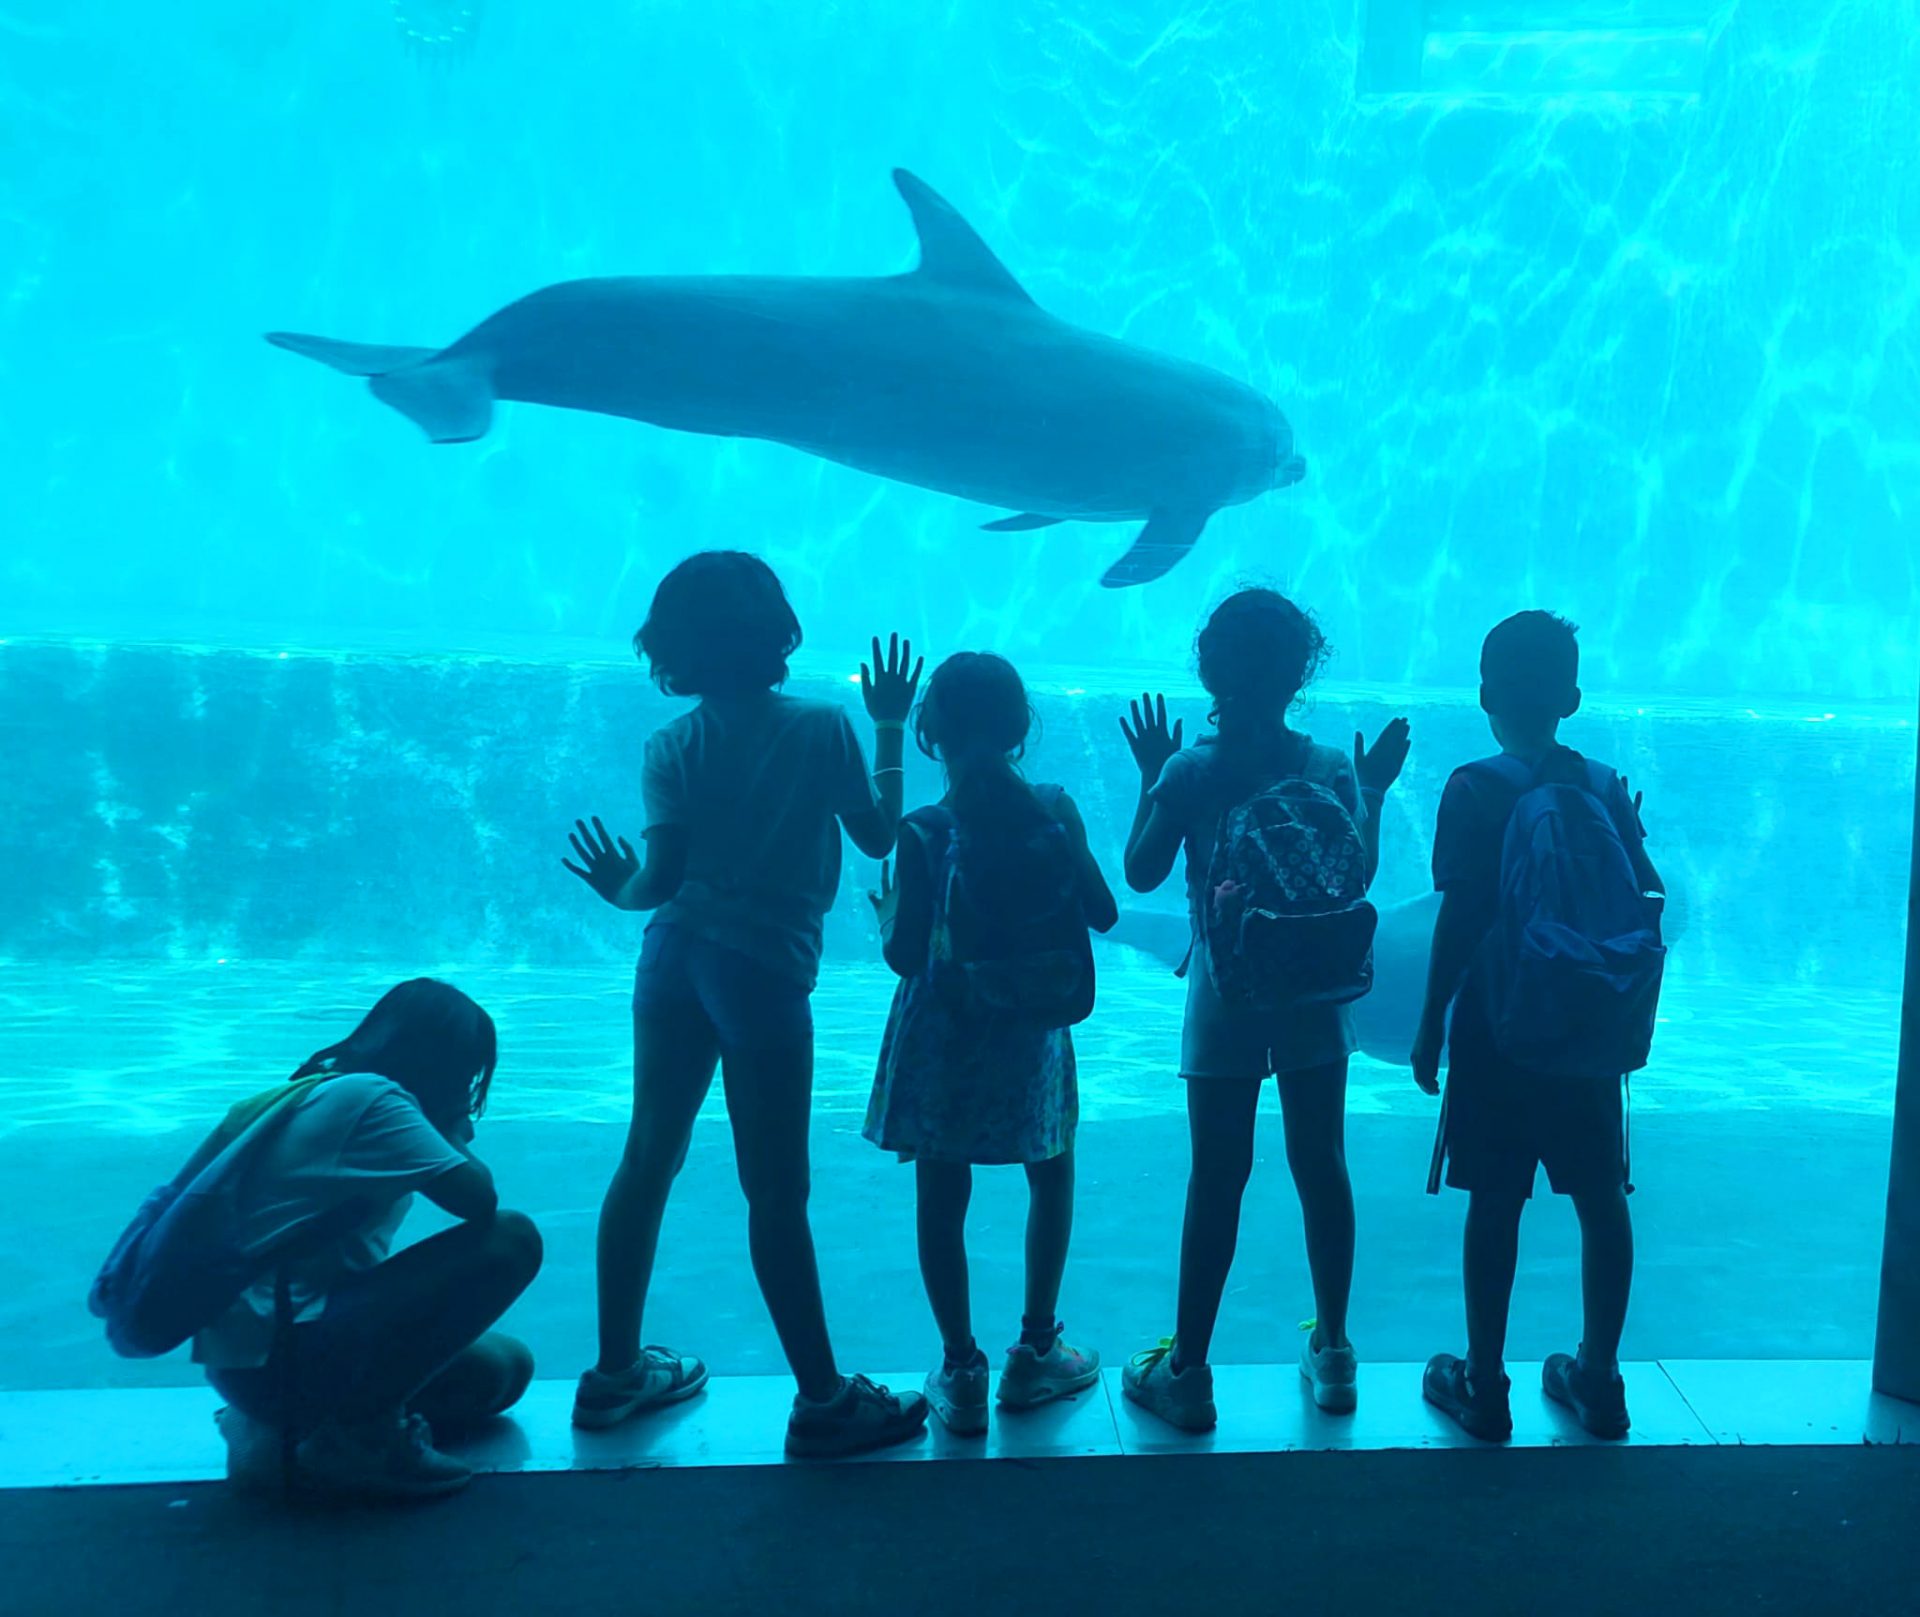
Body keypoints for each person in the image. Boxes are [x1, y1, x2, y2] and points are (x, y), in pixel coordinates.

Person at [563, 550, 930, 1459]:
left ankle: (615, 1373)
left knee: (646, 1157)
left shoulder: (669, 746)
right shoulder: (823, 729)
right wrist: (890, 728)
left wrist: (617, 890)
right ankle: (822, 1398)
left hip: (674, 958)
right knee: (775, 1190)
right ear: (776, 636)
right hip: (761, 972)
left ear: (673, 651)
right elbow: (881, 834)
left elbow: (661, 880)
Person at [1117, 588, 1410, 1430]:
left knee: (1218, 1174)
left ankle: (1190, 1367)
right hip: (1316, 993)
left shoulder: (1192, 770)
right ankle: (1336, 1352)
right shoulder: (1326, 767)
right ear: (1301, 673)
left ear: (1209, 670)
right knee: (1323, 1164)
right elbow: (1358, 873)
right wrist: (1379, 790)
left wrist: (1150, 774)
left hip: (1225, 998)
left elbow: (1140, 871)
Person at [1411, 611, 1664, 1443]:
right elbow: (1648, 901)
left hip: (1499, 1030)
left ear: (1485, 694)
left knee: (1495, 1200)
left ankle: (1484, 1383)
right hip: (1589, 1032)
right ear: (1574, 696)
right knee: (1600, 1199)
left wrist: (1430, 1024)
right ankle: (1600, 1375)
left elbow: (1460, 919)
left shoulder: (1474, 787)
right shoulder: (1600, 785)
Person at [863, 653, 1118, 1434]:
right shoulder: (1054, 807)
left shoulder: (926, 828)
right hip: (1030, 1034)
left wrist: (887, 916)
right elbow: (1103, 912)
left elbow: (906, 955)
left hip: (943, 1036)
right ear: (1019, 729)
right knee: (1051, 1173)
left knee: (943, 1197)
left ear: (932, 731)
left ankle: (962, 1366)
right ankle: (1037, 1349)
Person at [199, 979, 543, 1500]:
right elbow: (479, 1201)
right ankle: (358, 1441)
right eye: (468, 1075)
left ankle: (272, 1429)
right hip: (280, 1358)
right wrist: (450, 1128)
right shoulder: (376, 1100)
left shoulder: (315, 1089)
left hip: (241, 1361)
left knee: (501, 1370)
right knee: (513, 1240)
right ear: (446, 1065)